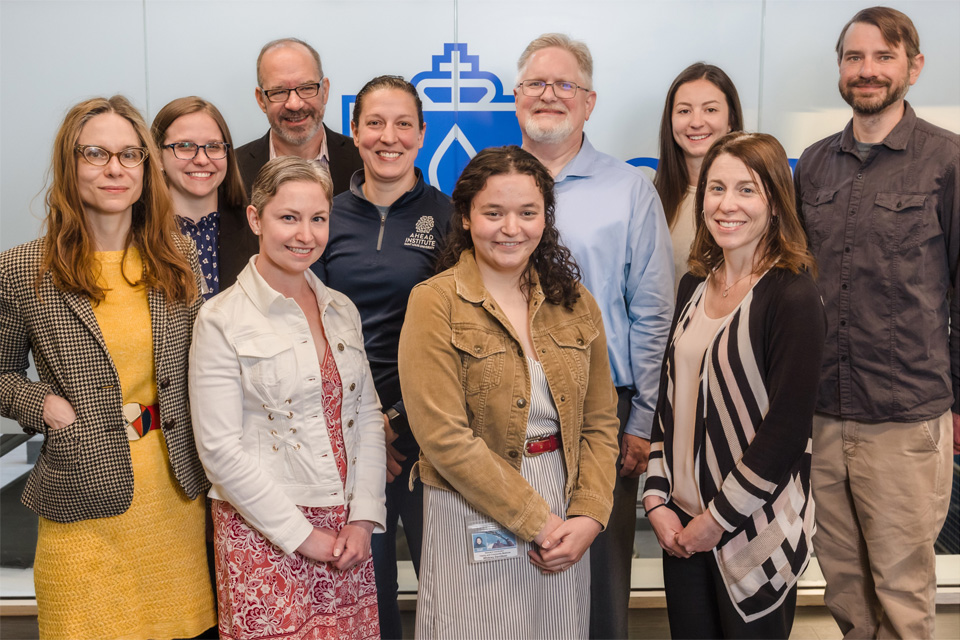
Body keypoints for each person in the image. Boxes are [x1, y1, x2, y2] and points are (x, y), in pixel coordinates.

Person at [0, 95, 214, 639]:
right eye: (95, 153)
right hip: (81, 500)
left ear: (147, 167)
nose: (115, 168)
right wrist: (45, 407)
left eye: (130, 155)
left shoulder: (176, 260)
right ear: (68, 165)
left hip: (174, 499)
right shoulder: (24, 268)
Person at [398, 146, 621, 638]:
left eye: (527, 212)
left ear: (546, 218)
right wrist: (536, 521)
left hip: (565, 504)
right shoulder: (433, 302)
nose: (511, 228)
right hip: (470, 504)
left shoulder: (576, 302)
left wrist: (588, 515)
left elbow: (600, 424)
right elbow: (442, 438)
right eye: (493, 212)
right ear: (465, 216)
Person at [793, 7, 958, 638]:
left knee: (901, 592)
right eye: (855, 58)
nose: (868, 71)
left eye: (884, 57)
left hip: (905, 419)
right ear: (840, 68)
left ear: (913, 67)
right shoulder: (811, 166)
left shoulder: (947, 163)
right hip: (823, 415)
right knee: (844, 586)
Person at [513, 33, 675, 638]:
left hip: (602, 408)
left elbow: (654, 313)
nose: (549, 95)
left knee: (599, 579)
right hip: (506, 406)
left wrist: (641, 424)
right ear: (516, 96)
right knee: (514, 571)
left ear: (590, 102)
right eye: (536, 83)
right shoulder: (486, 184)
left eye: (564, 85)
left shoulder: (630, 190)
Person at [189, 156, 386, 640]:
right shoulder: (221, 319)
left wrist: (363, 518)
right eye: (289, 218)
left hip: (345, 534)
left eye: (317, 218)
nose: (305, 234)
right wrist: (302, 537)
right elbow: (219, 450)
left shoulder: (341, 309)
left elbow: (367, 416)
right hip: (264, 532)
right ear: (256, 219)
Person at [643, 131, 825, 639]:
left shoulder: (793, 295)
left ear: (775, 202)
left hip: (752, 534)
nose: (727, 204)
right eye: (716, 189)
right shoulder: (692, 286)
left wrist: (717, 520)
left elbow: (786, 433)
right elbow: (669, 406)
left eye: (747, 190)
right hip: (680, 527)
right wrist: (656, 499)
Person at [312, 75, 452, 640]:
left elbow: (454, 338)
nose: (387, 137)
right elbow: (312, 324)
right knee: (367, 587)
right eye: (374, 123)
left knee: (445, 582)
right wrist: (368, 428)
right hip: (343, 432)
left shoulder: (450, 218)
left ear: (422, 135)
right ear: (354, 131)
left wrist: (397, 424)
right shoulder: (324, 214)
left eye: (402, 124)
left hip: (429, 434)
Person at [236, 37, 363, 198]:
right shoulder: (233, 170)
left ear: (325, 90)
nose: (294, 104)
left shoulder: (363, 161)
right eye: (279, 92)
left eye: (306, 88)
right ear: (261, 100)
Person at [152, 96, 254, 295]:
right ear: (158, 158)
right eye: (185, 146)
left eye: (213, 147)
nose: (201, 159)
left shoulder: (257, 228)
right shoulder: (136, 231)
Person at [654, 63, 744, 287]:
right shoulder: (651, 200)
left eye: (710, 110)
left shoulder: (756, 200)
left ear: (731, 119)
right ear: (671, 121)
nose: (696, 122)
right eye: (684, 111)